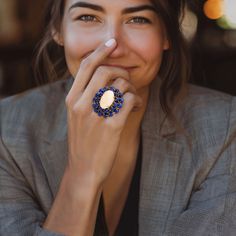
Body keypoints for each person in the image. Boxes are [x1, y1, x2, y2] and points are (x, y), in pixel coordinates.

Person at [0, 0, 236, 235]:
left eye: (138, 19)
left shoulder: (224, 127)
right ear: (58, 30)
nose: (111, 45)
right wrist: (83, 172)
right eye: (88, 17)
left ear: (166, 35)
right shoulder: (7, 130)